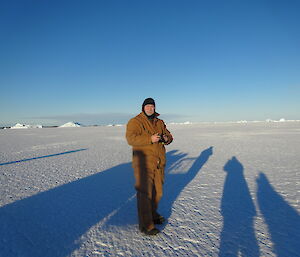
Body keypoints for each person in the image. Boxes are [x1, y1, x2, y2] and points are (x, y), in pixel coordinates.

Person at [126, 98, 173, 235]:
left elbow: (169, 136)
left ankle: (152, 215)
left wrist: (165, 138)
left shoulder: (159, 122)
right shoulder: (135, 121)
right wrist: (149, 139)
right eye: (147, 106)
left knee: (158, 192)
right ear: (143, 108)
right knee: (145, 194)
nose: (150, 109)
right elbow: (131, 139)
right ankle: (146, 225)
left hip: (159, 163)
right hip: (143, 164)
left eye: (152, 106)